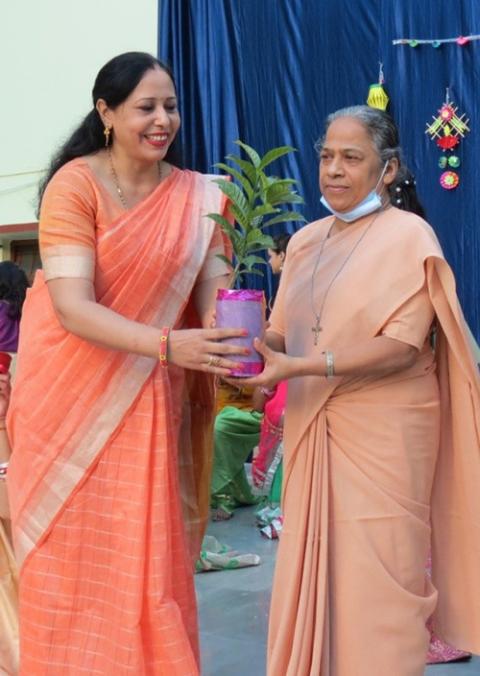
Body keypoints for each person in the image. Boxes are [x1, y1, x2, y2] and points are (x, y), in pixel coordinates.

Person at [6, 51, 248, 675]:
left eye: (170, 106)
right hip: (65, 397)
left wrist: (236, 331)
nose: (162, 119)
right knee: (70, 554)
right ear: (106, 113)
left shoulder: (199, 198)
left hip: (144, 396)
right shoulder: (75, 186)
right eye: (146, 107)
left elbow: (215, 291)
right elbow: (71, 308)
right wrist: (171, 345)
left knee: (142, 558)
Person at [244, 106, 480, 675]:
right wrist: (245, 346)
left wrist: (304, 366)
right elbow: (281, 330)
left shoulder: (409, 236)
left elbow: (401, 346)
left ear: (388, 168)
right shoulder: (303, 242)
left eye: (352, 158)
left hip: (386, 431)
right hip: (313, 426)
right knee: (315, 577)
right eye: (326, 155)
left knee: (383, 587)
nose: (334, 170)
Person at [209, 234, 291, 521]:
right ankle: (234, 493)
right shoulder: (278, 306)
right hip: (271, 395)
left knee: (224, 425)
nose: (270, 262)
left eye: (272, 255)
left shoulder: (298, 299)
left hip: (292, 399)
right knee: (218, 424)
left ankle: (229, 495)